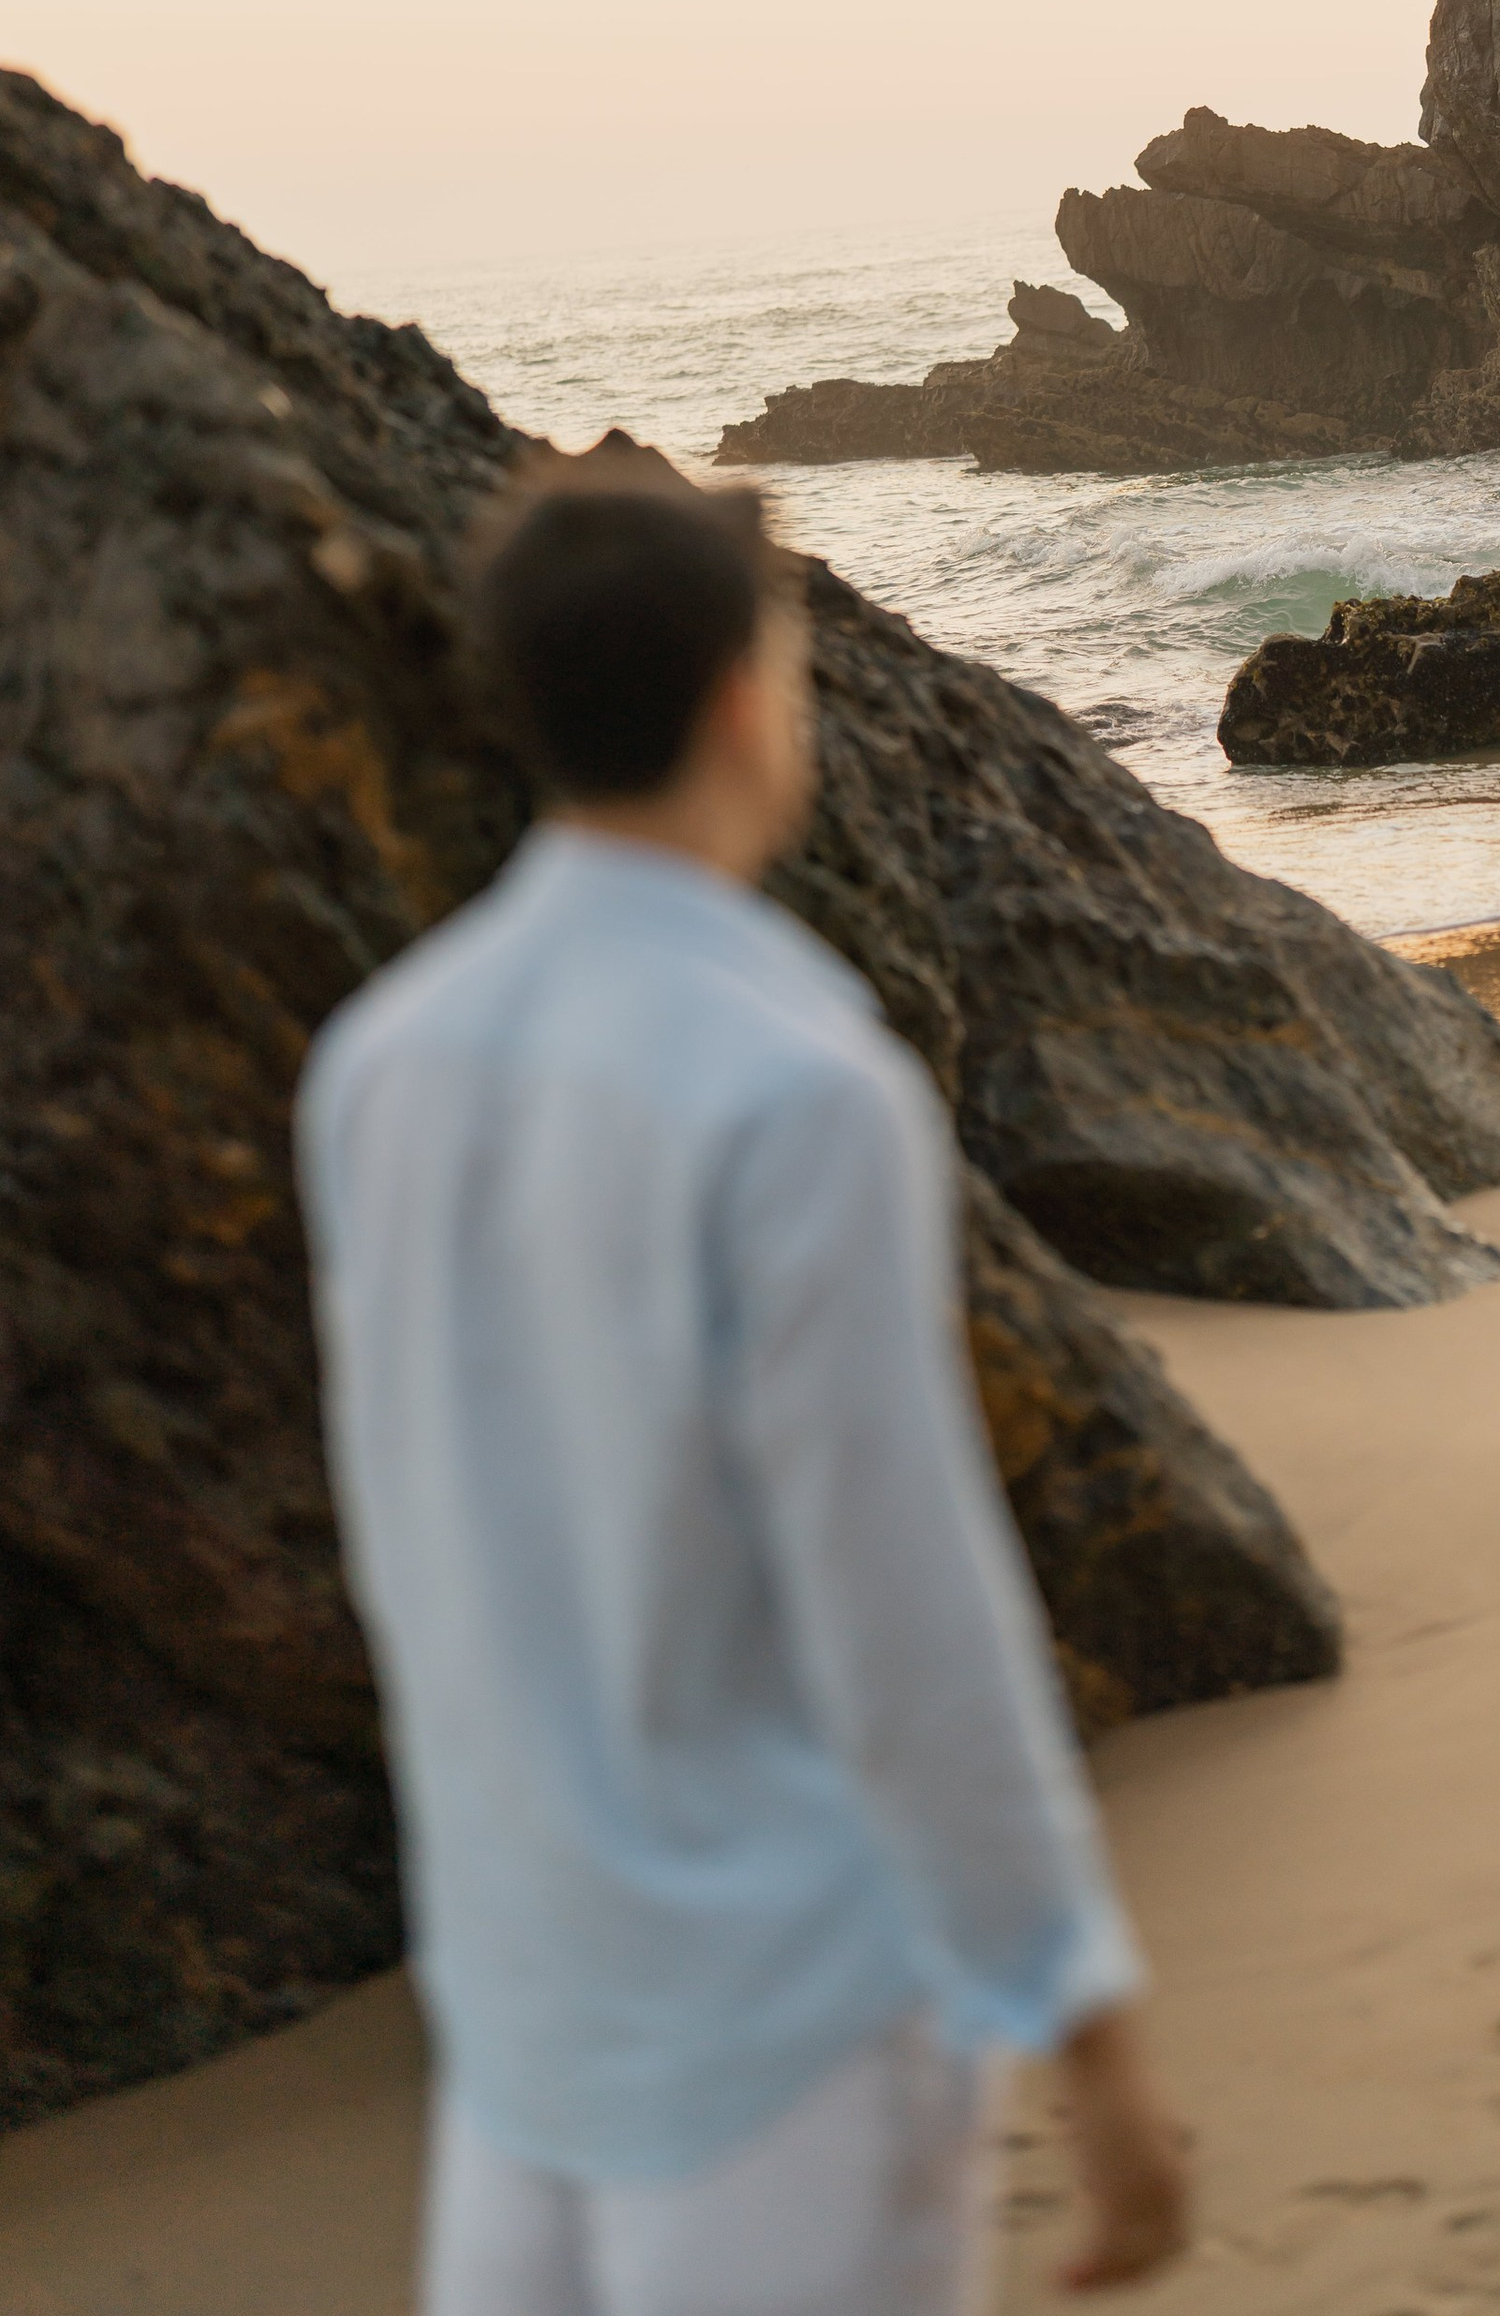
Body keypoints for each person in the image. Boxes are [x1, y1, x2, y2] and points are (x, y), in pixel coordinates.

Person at [297, 453, 1190, 2316]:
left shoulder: (380, 1067)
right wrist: (1080, 2012)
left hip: (525, 2011)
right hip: (784, 2026)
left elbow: (412, 1541)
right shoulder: (796, 1083)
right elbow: (902, 1593)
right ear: (737, 698)